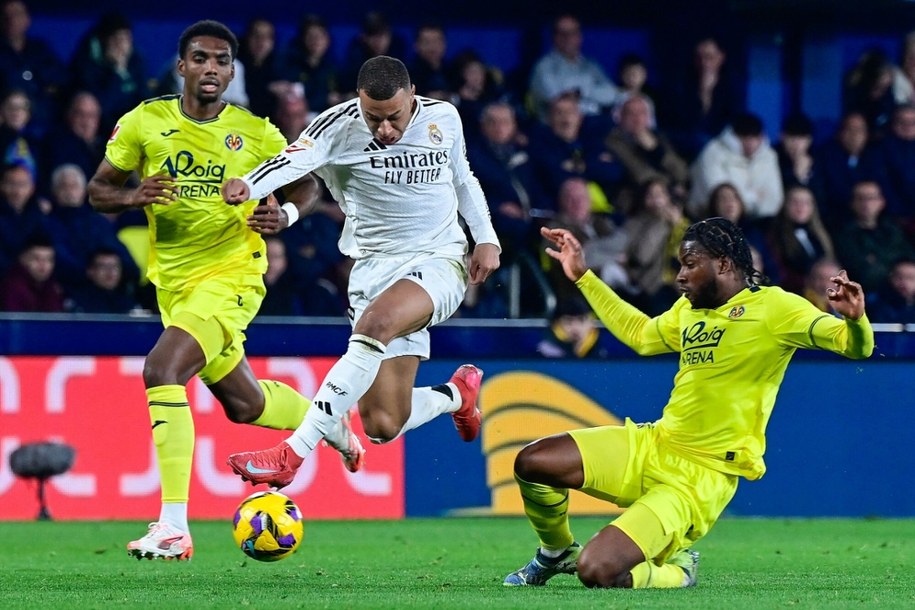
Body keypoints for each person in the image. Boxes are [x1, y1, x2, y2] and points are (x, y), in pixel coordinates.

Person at [85, 20, 364, 562]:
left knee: (161, 371)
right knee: (245, 404)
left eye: (220, 60)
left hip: (233, 277)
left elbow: (307, 181)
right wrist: (132, 196)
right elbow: (98, 190)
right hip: (174, 285)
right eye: (200, 59)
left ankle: (172, 526)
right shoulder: (146, 122)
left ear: (231, 71)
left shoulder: (256, 133)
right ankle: (328, 422)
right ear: (182, 66)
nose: (210, 68)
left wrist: (283, 212)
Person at [502, 217, 874, 589]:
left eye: (690, 264)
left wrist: (855, 321)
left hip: (699, 478)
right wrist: (583, 276)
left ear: (724, 265)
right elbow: (641, 335)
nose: (680, 276)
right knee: (533, 461)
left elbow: (852, 346)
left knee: (598, 571)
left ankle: (678, 572)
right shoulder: (689, 309)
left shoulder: (776, 308)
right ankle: (556, 552)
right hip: (656, 444)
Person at [221, 55, 501, 489]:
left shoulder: (444, 118)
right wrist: (252, 186)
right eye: (374, 118)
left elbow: (463, 178)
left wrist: (486, 238)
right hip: (372, 269)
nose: (385, 129)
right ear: (358, 101)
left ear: (411, 97)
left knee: (377, 324)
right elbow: (293, 161)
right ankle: (456, 396)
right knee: (383, 424)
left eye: (394, 118)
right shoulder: (335, 126)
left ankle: (291, 454)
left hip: (439, 259)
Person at [688, 112, 783, 220]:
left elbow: (774, 199)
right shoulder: (713, 152)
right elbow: (719, 195)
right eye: (745, 138)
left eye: (754, 138)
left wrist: (743, 201)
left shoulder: (769, 156)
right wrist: (753, 197)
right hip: (707, 219)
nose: (750, 143)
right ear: (734, 136)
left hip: (756, 222)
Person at [527, 14, 621, 121]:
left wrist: (581, 93)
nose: (568, 38)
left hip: (592, 122)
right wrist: (591, 93)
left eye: (573, 33)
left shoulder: (590, 65)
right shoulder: (543, 67)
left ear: (579, 37)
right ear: (554, 37)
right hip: (557, 127)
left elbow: (611, 94)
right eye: (563, 33)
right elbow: (558, 99)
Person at [536, 296, 607, 359]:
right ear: (557, 323)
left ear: (591, 323)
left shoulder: (606, 349)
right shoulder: (545, 349)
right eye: (568, 321)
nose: (575, 327)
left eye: (581, 320)